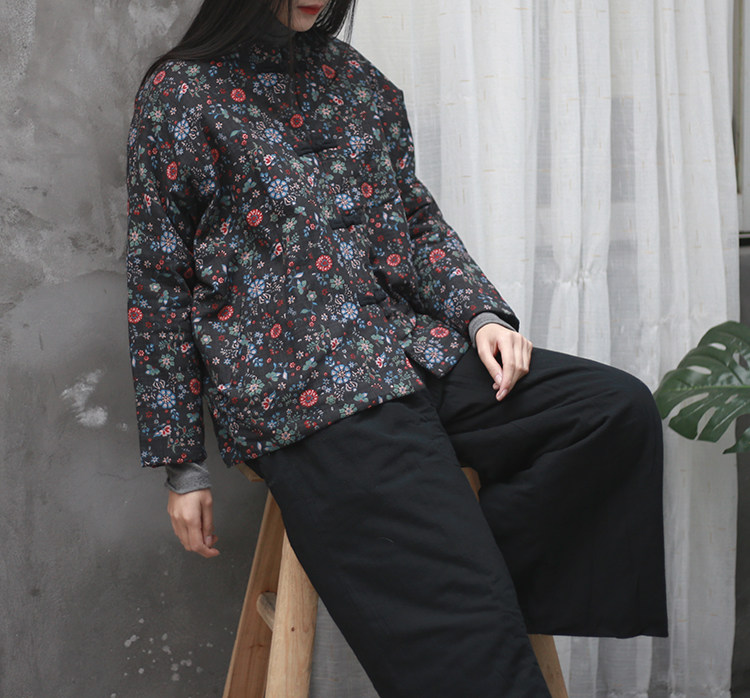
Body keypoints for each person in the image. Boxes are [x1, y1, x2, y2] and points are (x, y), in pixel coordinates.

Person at [126, 0, 668, 695]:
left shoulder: (357, 80)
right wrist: (181, 464)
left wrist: (481, 316)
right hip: (305, 391)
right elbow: (158, 282)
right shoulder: (180, 94)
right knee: (469, 632)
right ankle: (461, 610)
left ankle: (470, 589)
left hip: (411, 348)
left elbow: (414, 218)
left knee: (611, 412)